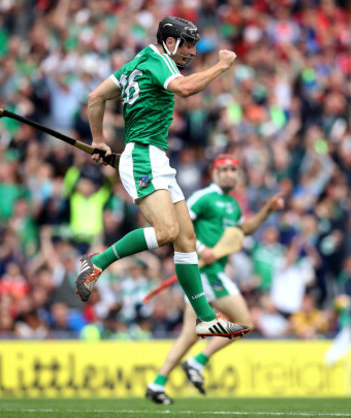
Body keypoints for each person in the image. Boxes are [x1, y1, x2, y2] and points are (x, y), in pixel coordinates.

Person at [76, 17, 249, 339]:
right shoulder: (158, 61)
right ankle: (95, 263)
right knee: (168, 232)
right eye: (187, 45)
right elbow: (184, 88)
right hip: (143, 156)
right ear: (169, 42)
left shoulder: (134, 64)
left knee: (186, 240)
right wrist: (222, 65)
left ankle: (205, 318)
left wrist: (99, 140)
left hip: (154, 158)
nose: (192, 52)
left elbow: (95, 98)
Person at [146, 154, 284, 405]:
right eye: (225, 169)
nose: (230, 173)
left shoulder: (233, 204)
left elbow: (241, 231)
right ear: (214, 173)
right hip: (206, 272)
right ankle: (197, 362)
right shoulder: (203, 197)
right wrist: (199, 247)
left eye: (234, 169)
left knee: (189, 336)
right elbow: (177, 224)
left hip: (211, 272)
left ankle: (157, 383)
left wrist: (266, 211)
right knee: (244, 322)